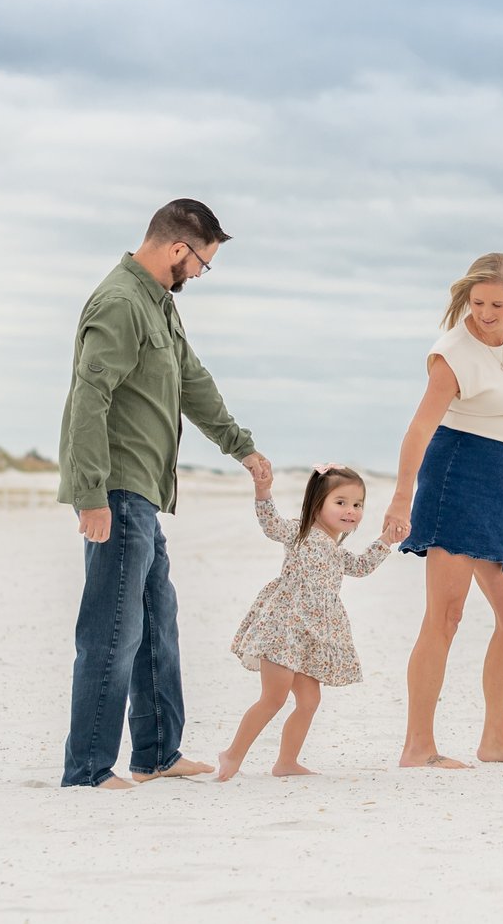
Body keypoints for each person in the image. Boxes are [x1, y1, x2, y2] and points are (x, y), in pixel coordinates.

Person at [56, 198, 276, 790]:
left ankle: (156, 753)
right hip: (118, 489)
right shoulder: (121, 303)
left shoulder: (159, 306)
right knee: (112, 631)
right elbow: (88, 400)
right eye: (203, 263)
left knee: (157, 622)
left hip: (146, 495)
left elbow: (191, 381)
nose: (201, 275)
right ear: (178, 249)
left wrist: (242, 447)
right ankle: (87, 770)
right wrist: (91, 494)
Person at [382, 252, 503, 769]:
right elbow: (419, 429)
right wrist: (400, 496)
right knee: (446, 615)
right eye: (477, 302)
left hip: (501, 481)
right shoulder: (451, 354)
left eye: (496, 304)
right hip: (455, 475)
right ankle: (418, 747)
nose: (485, 312)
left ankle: (496, 741)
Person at [215, 464, 401, 781]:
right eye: (340, 502)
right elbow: (271, 524)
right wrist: (263, 490)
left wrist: (386, 539)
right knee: (273, 697)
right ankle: (232, 755)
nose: (351, 511)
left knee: (310, 700)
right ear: (317, 504)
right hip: (283, 626)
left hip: (310, 635)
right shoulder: (301, 533)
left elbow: (361, 566)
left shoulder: (336, 551)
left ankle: (286, 762)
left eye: (357, 504)